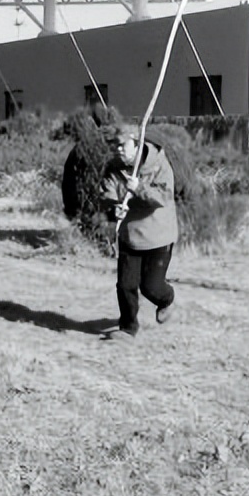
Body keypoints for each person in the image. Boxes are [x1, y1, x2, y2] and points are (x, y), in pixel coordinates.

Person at [100, 124, 177, 341]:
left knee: (150, 287)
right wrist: (113, 207)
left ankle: (166, 299)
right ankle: (127, 328)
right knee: (125, 285)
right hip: (129, 236)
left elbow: (163, 197)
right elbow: (106, 195)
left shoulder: (159, 164)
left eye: (123, 145)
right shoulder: (114, 168)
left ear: (137, 144)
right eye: (115, 146)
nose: (118, 150)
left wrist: (139, 188)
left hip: (159, 235)